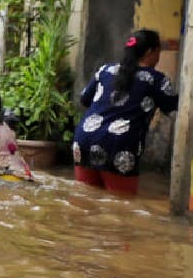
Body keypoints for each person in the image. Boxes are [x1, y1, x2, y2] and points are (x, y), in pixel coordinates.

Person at [72, 29, 178, 195]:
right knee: (120, 205)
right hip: (120, 145)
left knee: (85, 200)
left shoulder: (105, 70)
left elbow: (85, 98)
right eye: (159, 52)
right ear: (150, 52)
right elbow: (173, 105)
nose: (159, 57)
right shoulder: (157, 79)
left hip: (84, 139)